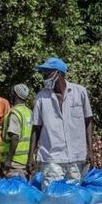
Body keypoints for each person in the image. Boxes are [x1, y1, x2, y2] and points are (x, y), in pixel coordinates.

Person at [27, 58, 94, 189]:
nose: (44, 76)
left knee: (74, 198)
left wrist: (90, 150)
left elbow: (88, 121)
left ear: (59, 73)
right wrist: (30, 157)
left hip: (76, 157)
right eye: (44, 73)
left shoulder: (79, 92)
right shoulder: (41, 97)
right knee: (52, 197)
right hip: (52, 158)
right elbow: (36, 128)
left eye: (47, 73)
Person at [0, 84, 33, 179]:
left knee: (14, 192)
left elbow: (15, 137)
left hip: (15, 163)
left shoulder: (15, 113)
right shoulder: (29, 112)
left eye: (12, 93)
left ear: (16, 95)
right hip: (26, 162)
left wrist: (9, 160)